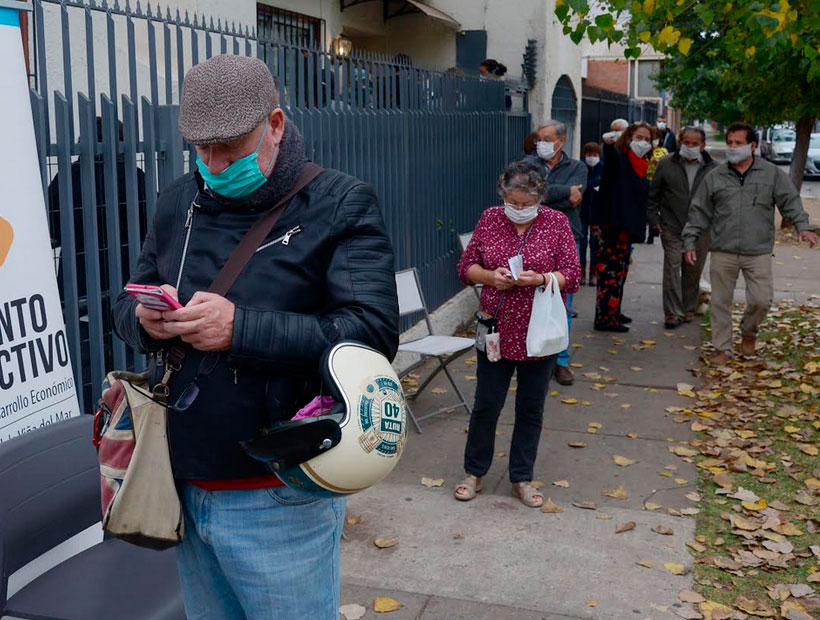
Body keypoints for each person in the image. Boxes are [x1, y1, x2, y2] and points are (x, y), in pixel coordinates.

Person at [112, 54, 399, 620]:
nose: (215, 165)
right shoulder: (177, 201)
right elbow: (124, 300)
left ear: (274, 124)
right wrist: (142, 321)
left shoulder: (339, 203)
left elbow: (370, 334)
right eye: (202, 149)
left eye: (232, 150)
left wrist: (238, 328)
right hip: (183, 476)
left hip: (278, 485)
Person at [455, 160, 580, 508]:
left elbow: (573, 273)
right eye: (513, 202)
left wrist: (540, 279)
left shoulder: (556, 222)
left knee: (530, 408)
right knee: (486, 404)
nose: (519, 210)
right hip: (495, 326)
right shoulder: (490, 218)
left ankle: (521, 477)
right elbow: (466, 268)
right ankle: (474, 471)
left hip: (539, 331)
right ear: (503, 196)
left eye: (526, 204)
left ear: (539, 198)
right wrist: (489, 277)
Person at [682, 122, 818, 364]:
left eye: (739, 143)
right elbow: (698, 211)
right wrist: (690, 241)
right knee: (720, 303)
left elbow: (790, 201)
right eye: (730, 143)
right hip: (723, 249)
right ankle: (722, 349)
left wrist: (802, 227)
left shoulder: (771, 174)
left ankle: (749, 331)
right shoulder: (715, 176)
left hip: (758, 251)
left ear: (753, 146)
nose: (733, 148)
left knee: (761, 300)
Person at [522, 120, 586, 385]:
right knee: (528, 299)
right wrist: (561, 192)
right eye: (539, 139)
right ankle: (530, 353)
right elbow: (526, 193)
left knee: (563, 304)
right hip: (531, 239)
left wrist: (544, 193)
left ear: (562, 140)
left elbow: (573, 199)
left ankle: (560, 360)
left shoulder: (577, 167)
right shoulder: (526, 165)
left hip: (567, 240)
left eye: (547, 139)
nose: (542, 144)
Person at [648, 126, 717, 328]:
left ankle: (687, 309)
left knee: (693, 270)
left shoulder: (713, 168)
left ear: (702, 146)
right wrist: (654, 220)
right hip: (672, 226)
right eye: (686, 142)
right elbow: (654, 195)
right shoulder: (666, 163)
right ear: (679, 142)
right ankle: (672, 313)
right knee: (672, 268)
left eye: (694, 144)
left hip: (700, 230)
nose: (689, 147)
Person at [592, 121, 655, 332]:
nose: (643, 143)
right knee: (609, 274)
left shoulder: (641, 164)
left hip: (626, 229)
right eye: (639, 138)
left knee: (620, 273)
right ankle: (605, 319)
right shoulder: (620, 158)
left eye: (647, 139)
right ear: (628, 138)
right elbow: (610, 158)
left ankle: (613, 311)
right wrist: (609, 143)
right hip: (611, 226)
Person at [580, 141, 603, 287]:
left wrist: (590, 185)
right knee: (582, 242)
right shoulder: (580, 168)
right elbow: (581, 185)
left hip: (598, 212)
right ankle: (581, 272)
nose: (591, 157)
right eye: (589, 155)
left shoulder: (603, 168)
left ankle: (593, 272)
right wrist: (594, 184)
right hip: (582, 211)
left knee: (595, 243)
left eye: (594, 155)